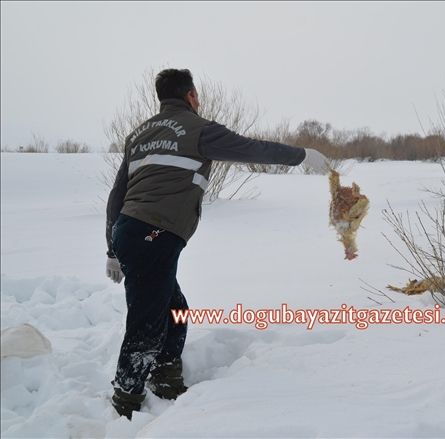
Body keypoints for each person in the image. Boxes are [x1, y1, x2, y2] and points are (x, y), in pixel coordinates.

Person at [104, 68, 329, 419]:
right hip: (155, 233)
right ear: (191, 95)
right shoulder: (199, 130)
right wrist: (301, 156)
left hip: (130, 230)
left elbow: (117, 193)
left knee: (173, 311)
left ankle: (165, 376)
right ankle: (126, 401)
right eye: (197, 95)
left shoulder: (139, 134)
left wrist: (112, 247)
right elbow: (253, 149)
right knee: (147, 319)